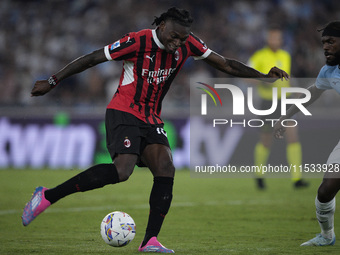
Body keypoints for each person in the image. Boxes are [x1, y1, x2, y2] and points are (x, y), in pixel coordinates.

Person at [22, 7, 288, 253]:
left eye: (183, 39)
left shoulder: (188, 42)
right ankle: (46, 196)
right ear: (161, 26)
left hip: (151, 118)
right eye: (174, 36)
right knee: (122, 171)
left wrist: (263, 76)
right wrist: (53, 80)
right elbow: (93, 58)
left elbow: (226, 64)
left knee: (165, 168)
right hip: (123, 111)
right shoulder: (136, 41)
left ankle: (150, 240)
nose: (178, 42)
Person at [274, 20, 340, 246]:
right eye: (323, 42)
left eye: (331, 41)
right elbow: (312, 93)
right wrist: (286, 116)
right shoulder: (329, 71)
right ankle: (327, 236)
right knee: (325, 191)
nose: (325, 47)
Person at [248, 25, 308, 189]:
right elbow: (247, 76)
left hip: (286, 102)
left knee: (293, 137)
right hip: (268, 103)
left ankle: (297, 179)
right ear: (268, 39)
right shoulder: (259, 56)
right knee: (266, 141)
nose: (276, 41)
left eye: (278, 38)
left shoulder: (285, 55)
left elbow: (287, 77)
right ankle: (259, 175)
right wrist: (264, 80)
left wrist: (294, 90)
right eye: (273, 37)